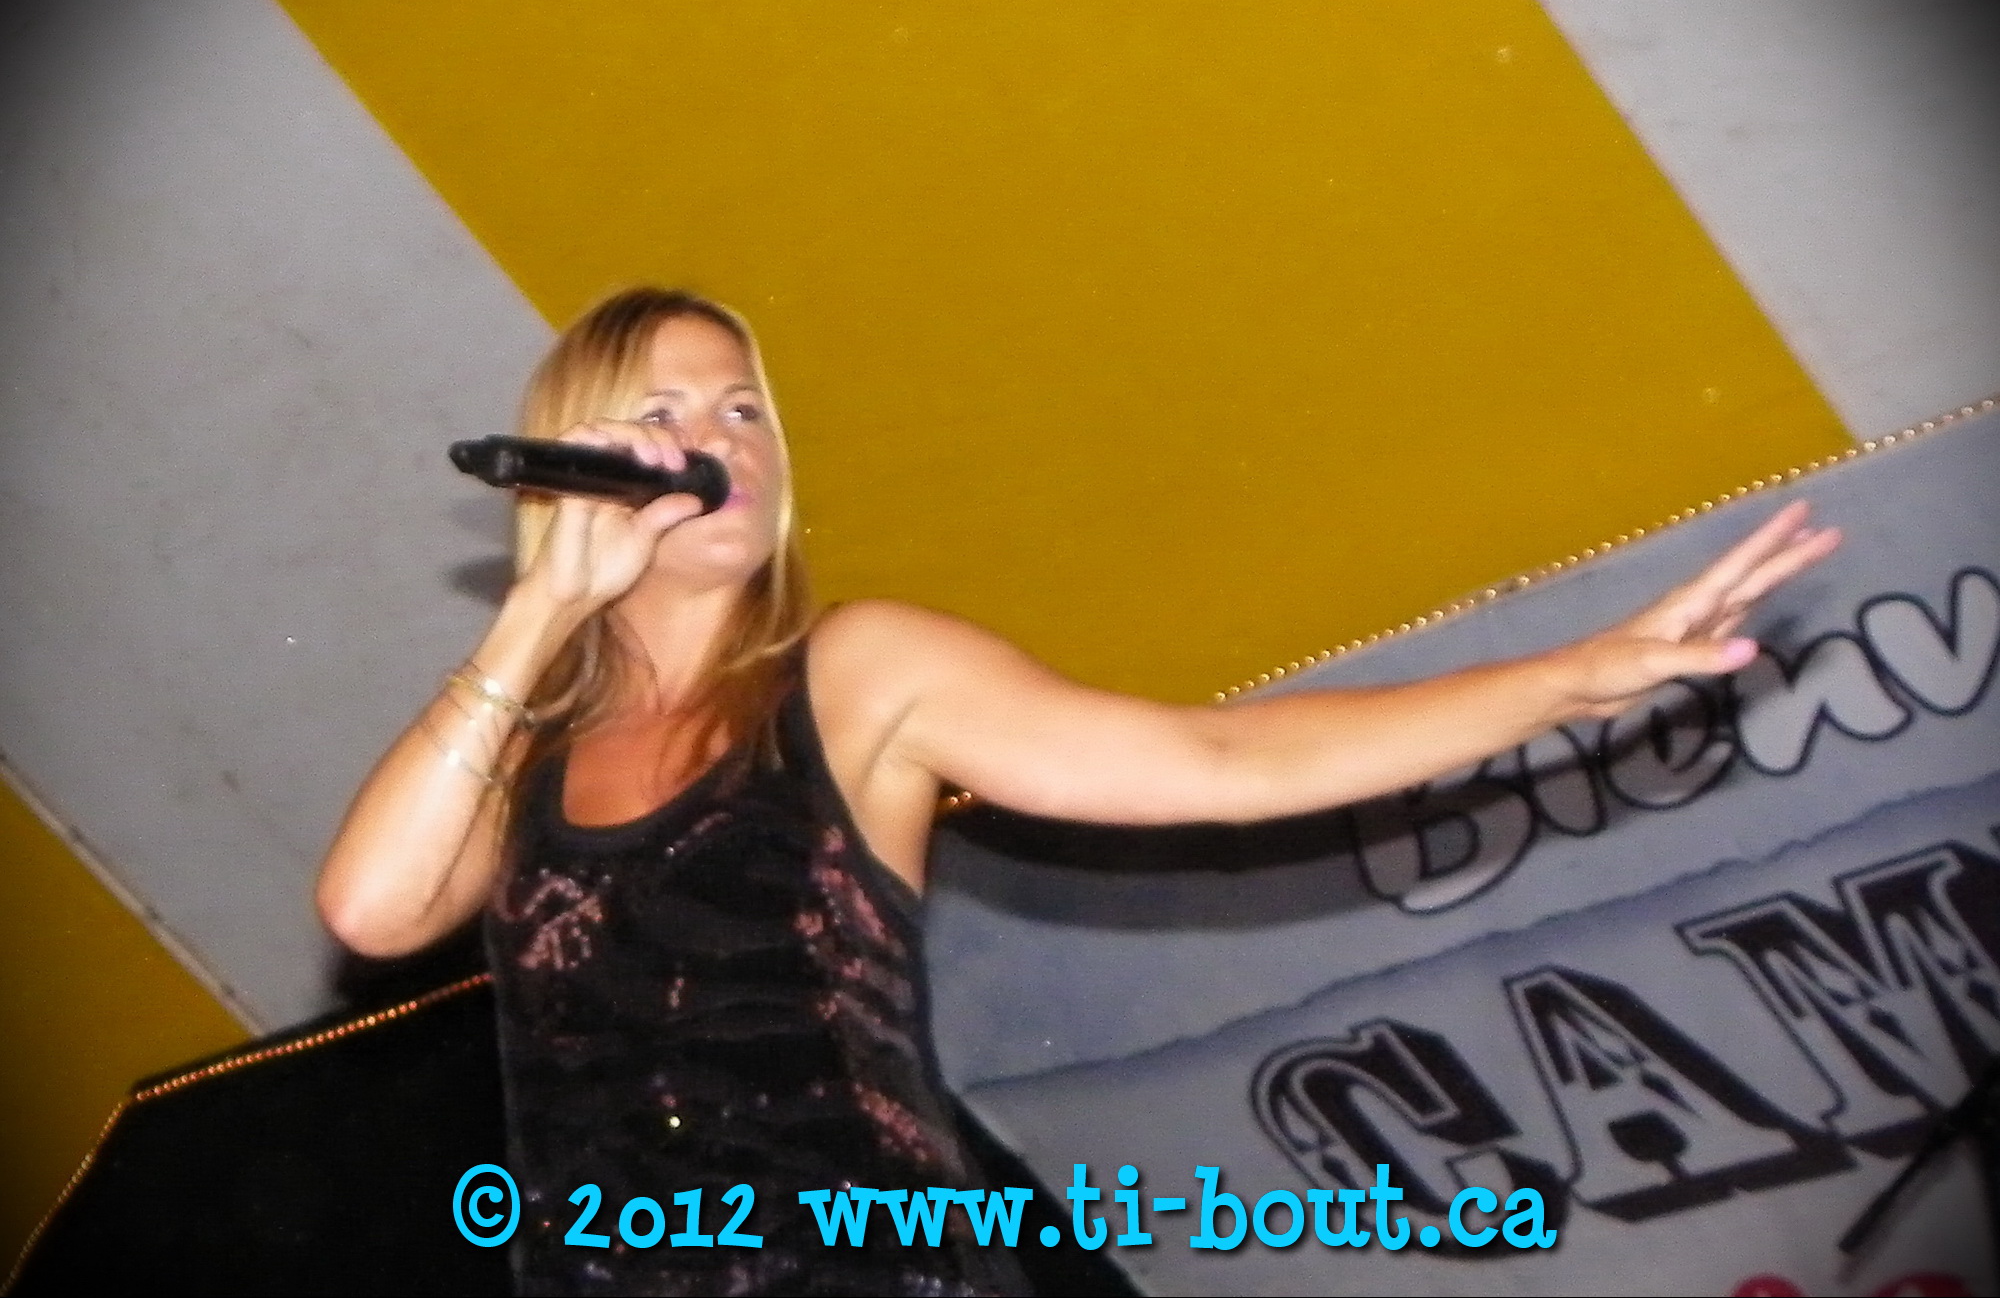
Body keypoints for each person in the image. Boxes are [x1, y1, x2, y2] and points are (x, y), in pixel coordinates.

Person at [315, 287, 1841, 1295]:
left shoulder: (857, 670)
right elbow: (374, 910)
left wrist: (1573, 679)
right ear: (577, 457)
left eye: (743, 410)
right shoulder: (519, 745)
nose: (719, 442)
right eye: (665, 411)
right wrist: (540, 611)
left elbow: (1215, 767)